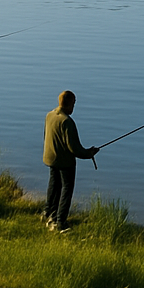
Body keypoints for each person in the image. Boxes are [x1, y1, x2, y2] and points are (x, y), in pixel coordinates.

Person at [42, 89, 98, 232]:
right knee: (66, 189)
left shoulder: (50, 115)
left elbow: (46, 137)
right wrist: (89, 153)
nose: (74, 107)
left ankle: (47, 213)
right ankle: (60, 222)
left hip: (51, 158)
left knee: (54, 185)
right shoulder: (67, 122)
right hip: (65, 162)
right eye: (73, 104)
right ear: (68, 104)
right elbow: (74, 149)